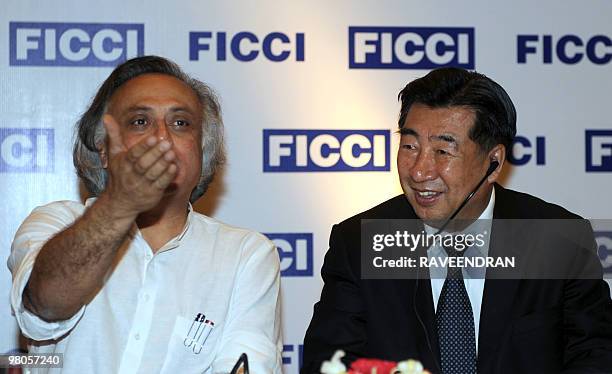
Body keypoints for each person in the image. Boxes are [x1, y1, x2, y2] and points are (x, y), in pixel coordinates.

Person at [302, 68, 612, 373]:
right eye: (410, 146)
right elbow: (329, 362)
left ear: (493, 163)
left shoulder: (559, 241)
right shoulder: (360, 242)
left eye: (442, 151)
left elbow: (596, 357)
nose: (419, 171)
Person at [8, 56, 282, 373]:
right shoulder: (55, 222)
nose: (161, 138)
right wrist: (121, 202)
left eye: (180, 123)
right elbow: (46, 308)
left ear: (202, 150)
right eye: (140, 122)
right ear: (104, 151)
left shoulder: (245, 254)